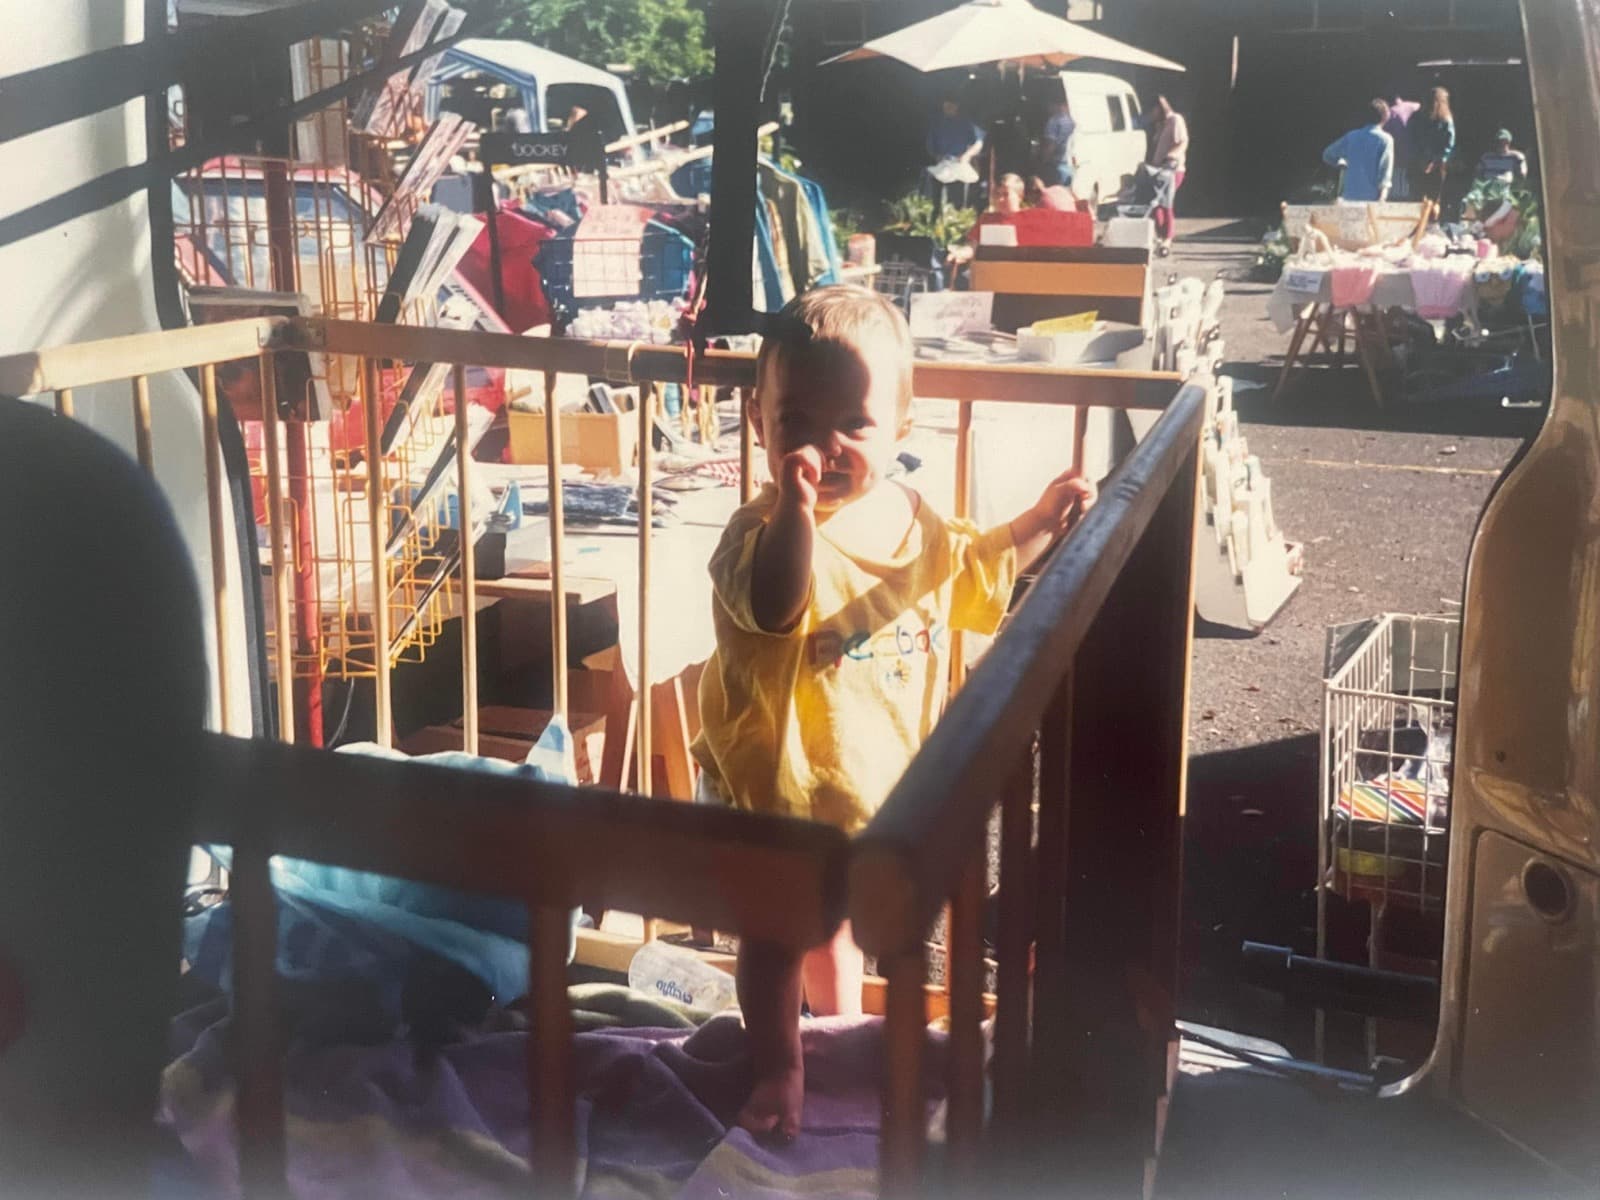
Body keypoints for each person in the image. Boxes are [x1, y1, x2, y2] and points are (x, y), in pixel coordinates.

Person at [693, 285, 1096, 1140]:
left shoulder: (915, 523)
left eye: (854, 424)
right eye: (794, 417)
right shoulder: (755, 531)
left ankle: (835, 1041)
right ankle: (779, 1071)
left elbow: (977, 570)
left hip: (871, 785)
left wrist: (1041, 521)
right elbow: (775, 603)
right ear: (759, 422)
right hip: (776, 792)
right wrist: (797, 510)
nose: (820, 445)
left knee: (836, 931)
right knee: (773, 939)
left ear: (902, 431)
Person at [1322, 99, 1395, 202]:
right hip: (1372, 199)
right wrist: (1382, 197)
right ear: (1385, 117)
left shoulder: (1352, 136)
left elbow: (1327, 154)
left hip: (1349, 197)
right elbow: (1385, 171)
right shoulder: (1386, 140)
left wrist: (1341, 163)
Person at [1145, 95, 1189, 256]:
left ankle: (1167, 239)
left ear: (1160, 107)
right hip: (1158, 170)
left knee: (1165, 203)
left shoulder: (1175, 120)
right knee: (1155, 204)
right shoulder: (1162, 125)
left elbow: (1182, 141)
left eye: (1153, 110)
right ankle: (1160, 236)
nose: (1151, 114)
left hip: (1172, 169)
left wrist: (1171, 156)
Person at [925, 96, 985, 205]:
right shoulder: (937, 123)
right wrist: (937, 156)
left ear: (957, 106)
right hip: (943, 165)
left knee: (960, 198)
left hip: (960, 164)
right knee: (937, 197)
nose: (948, 109)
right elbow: (930, 146)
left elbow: (979, 142)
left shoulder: (966, 123)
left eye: (951, 106)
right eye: (946, 106)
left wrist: (967, 155)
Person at [1415, 86, 1456, 205]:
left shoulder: (1445, 120)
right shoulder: (1420, 118)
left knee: (1435, 197)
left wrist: (1439, 160)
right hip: (1423, 162)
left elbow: (1449, 144)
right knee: (1421, 196)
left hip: (1437, 165)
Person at [1382, 94, 1420, 199]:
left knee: (1397, 181)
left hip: (1398, 150)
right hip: (1413, 150)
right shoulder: (1416, 106)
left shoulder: (1391, 111)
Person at [1039, 97, 1078, 189]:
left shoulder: (1054, 122)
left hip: (1055, 166)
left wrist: (1043, 160)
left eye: (1049, 105)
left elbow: (1050, 145)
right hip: (1069, 165)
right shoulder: (1072, 121)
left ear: (1055, 105)